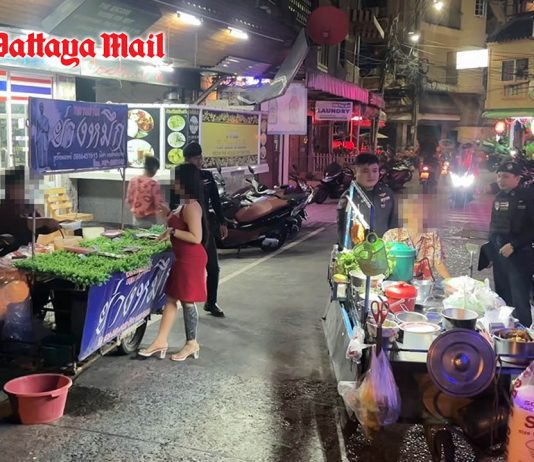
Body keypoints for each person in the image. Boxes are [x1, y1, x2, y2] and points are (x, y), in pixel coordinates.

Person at [138, 163, 208, 361]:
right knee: (171, 298)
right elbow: (180, 225)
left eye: (175, 180)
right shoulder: (184, 204)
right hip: (181, 257)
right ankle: (160, 341)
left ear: (184, 182)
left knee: (187, 300)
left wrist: (172, 231)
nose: (173, 184)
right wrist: (169, 215)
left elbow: (196, 237)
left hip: (191, 259)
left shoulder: (192, 206)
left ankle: (192, 343)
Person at [170, 142, 227, 318]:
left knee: (213, 268)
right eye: (196, 159)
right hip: (186, 229)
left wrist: (222, 222)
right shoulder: (178, 175)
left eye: (200, 158)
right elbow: (172, 202)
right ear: (188, 160)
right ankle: (176, 300)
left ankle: (211, 302)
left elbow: (216, 201)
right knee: (184, 268)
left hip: (205, 228)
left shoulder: (207, 176)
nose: (200, 161)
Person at [485, 161, 534, 327]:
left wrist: (514, 245)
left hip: (520, 257)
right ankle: (505, 333)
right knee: (502, 299)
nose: (501, 180)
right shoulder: (499, 197)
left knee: (519, 301)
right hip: (500, 256)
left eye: (505, 176)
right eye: (499, 176)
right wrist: (489, 253)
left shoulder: (528, 197)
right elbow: (494, 227)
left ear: (517, 178)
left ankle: (525, 335)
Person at [337, 153, 397, 247]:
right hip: (359, 251)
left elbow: (394, 225)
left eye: (375, 171)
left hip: (384, 250)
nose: (371, 175)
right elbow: (343, 232)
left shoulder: (387, 194)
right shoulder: (349, 197)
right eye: (365, 171)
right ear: (355, 171)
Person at [383, 196, 451, 280]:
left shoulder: (432, 236)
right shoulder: (391, 235)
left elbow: (438, 262)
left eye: (422, 211)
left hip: (423, 284)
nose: (418, 215)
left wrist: (452, 281)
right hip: (395, 284)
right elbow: (381, 263)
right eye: (414, 211)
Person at [127, 156, 163, 228]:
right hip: (149, 219)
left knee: (137, 234)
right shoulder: (153, 184)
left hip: (135, 218)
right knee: (148, 235)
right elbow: (159, 203)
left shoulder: (133, 180)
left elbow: (129, 199)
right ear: (154, 168)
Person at [34, 102, 50, 168]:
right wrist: (36, 138)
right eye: (40, 107)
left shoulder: (46, 119)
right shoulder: (37, 119)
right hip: (39, 137)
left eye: (42, 107)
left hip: (44, 137)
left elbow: (47, 129)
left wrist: (44, 130)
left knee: (44, 150)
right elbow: (36, 130)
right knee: (40, 151)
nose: (41, 108)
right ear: (39, 108)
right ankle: (40, 165)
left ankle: (45, 164)